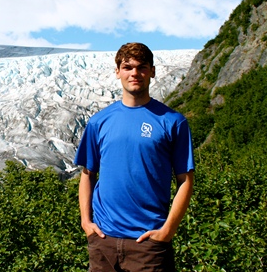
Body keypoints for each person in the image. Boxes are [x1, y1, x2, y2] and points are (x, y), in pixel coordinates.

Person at [75, 42, 195, 272]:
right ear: (117, 71)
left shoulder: (173, 121)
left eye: (141, 67)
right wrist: (86, 222)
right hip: (103, 242)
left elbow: (185, 180)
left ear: (152, 71)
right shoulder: (99, 121)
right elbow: (88, 174)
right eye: (127, 67)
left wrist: (168, 230)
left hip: (148, 245)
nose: (135, 73)